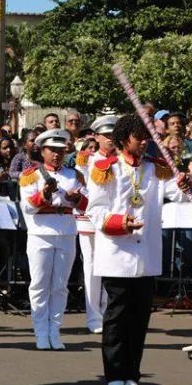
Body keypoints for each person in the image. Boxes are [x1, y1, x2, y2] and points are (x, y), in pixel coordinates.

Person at [86, 114, 192, 385]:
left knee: (139, 319)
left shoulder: (156, 169)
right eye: (140, 138)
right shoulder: (105, 168)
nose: (145, 142)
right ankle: (114, 375)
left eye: (148, 137)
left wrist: (188, 180)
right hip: (117, 254)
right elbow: (95, 210)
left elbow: (183, 193)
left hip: (146, 255)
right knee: (117, 318)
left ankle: (132, 374)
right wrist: (121, 223)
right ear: (125, 139)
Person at [20, 129, 88, 350]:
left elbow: (88, 203)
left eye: (60, 150)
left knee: (60, 286)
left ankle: (55, 331)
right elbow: (27, 207)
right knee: (39, 285)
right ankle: (41, 332)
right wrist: (45, 195)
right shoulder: (31, 174)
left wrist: (75, 198)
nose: (57, 154)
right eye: (52, 150)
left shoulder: (73, 174)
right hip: (41, 233)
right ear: (42, 151)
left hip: (67, 231)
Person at [75, 114, 118, 334]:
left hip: (115, 219)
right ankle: (93, 316)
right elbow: (83, 187)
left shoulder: (122, 160)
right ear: (97, 137)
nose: (111, 139)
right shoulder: (87, 160)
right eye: (106, 135)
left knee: (112, 266)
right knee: (92, 268)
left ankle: (107, 311)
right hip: (92, 219)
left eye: (113, 134)